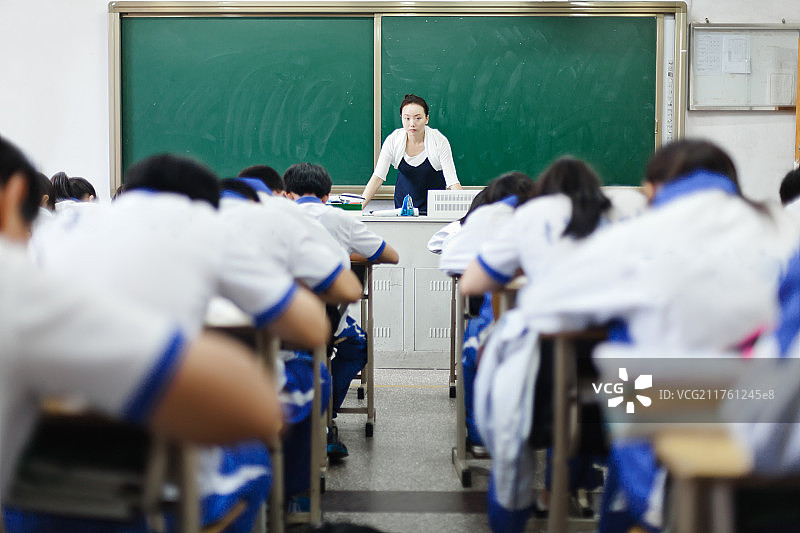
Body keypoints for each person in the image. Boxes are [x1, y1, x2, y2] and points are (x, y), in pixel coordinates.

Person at [465, 140, 800, 533]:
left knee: (623, 367)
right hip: (779, 405)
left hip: (698, 405)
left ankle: (642, 513)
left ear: (654, 189)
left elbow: (542, 308)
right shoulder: (783, 226)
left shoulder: (638, 237)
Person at [30, 154, 329, 532]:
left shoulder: (60, 226)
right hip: (152, 501)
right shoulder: (204, 229)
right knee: (254, 450)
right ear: (203, 206)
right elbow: (311, 328)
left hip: (23, 494)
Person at [459, 157, 616, 532]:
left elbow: (471, 283)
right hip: (609, 352)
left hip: (542, 354)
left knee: (517, 439)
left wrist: (520, 268)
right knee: (590, 423)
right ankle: (571, 492)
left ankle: (513, 515)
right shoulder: (613, 215)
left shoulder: (532, 215)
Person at [285, 162, 399, 460]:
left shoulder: (273, 217)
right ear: (326, 196)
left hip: (277, 321)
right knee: (357, 345)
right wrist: (346, 250)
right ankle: (325, 414)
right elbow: (391, 255)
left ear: (286, 194)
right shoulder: (337, 217)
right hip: (326, 323)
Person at [360, 94, 462, 213]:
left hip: (435, 211)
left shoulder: (439, 141)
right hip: (402, 210)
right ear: (401, 118)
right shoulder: (394, 140)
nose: (412, 123)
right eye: (407, 118)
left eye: (418, 118)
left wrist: (469, 214)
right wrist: (358, 208)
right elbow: (377, 178)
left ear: (427, 119)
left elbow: (452, 181)